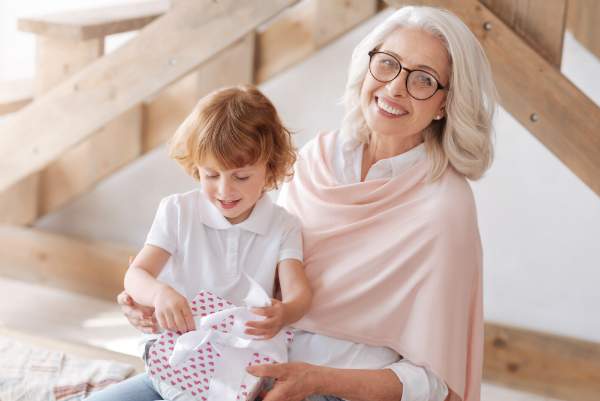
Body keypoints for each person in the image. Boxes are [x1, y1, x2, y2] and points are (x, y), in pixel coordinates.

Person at [118, 5, 497, 401]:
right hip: (237, 364)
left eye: (423, 79)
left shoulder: (445, 206)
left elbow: (436, 381)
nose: (396, 87)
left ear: (444, 104)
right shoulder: (318, 157)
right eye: (387, 64)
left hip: (339, 389)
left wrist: (316, 380)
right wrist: (150, 299)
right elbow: (259, 277)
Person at [87, 85, 313, 401]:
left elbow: (299, 292)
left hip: (238, 376)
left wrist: (285, 312)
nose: (225, 190)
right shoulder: (178, 210)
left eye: (241, 177)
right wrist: (159, 293)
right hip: (173, 366)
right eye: (211, 175)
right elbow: (136, 275)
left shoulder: (283, 225)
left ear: (270, 168)